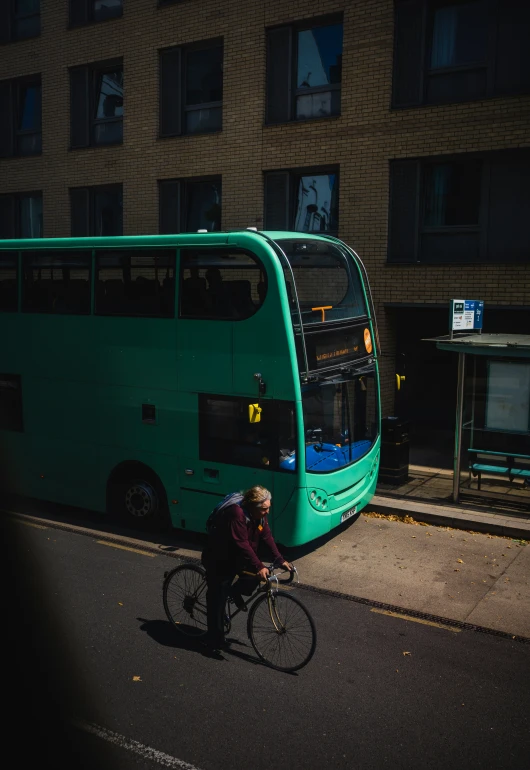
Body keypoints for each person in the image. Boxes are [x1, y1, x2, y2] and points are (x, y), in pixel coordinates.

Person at [201, 485, 291, 652]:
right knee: (217, 599)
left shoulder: (259, 516)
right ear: (253, 505)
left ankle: (234, 592)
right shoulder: (237, 514)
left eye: (269, 508)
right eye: (264, 509)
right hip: (219, 558)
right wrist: (259, 565)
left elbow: (267, 535)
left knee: (254, 578)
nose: (267, 512)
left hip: (237, 556)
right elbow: (241, 543)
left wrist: (280, 559)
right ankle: (212, 640)